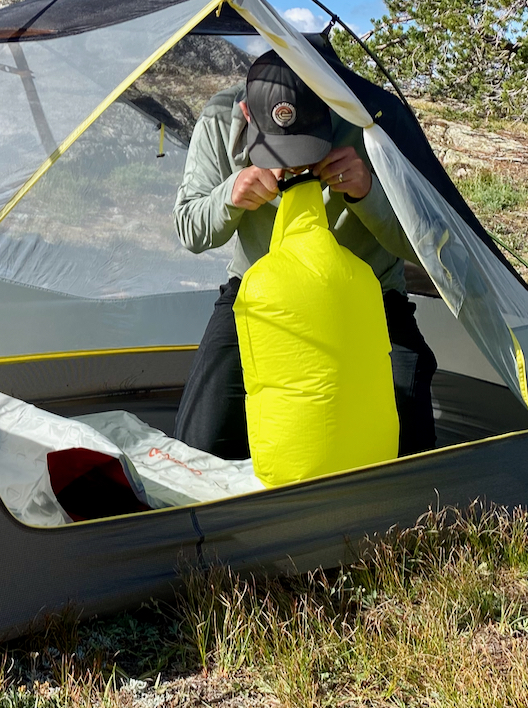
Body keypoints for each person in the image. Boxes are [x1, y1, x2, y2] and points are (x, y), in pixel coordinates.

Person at [173, 50, 437, 460]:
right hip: (260, 295)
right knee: (200, 444)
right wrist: (231, 195)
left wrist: (368, 194)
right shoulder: (220, 118)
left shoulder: (373, 121)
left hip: (370, 294)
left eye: (307, 145)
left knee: (413, 444)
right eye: (279, 151)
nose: (296, 166)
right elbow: (189, 228)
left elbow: (428, 245)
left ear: (332, 106)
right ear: (247, 113)